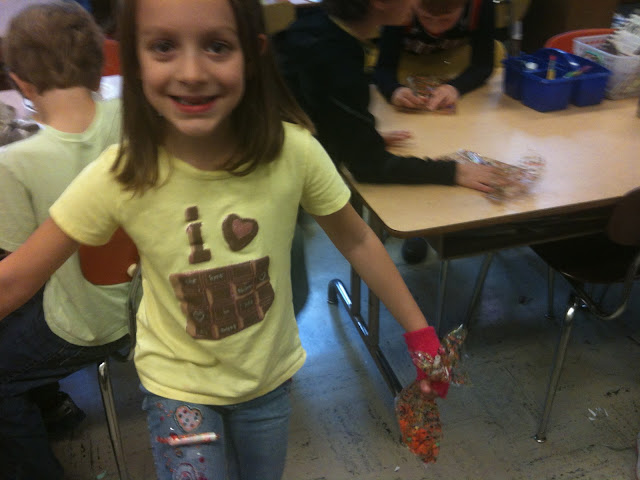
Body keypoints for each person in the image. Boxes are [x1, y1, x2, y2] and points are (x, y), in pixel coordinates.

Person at [0, 0, 451, 479]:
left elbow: (357, 239)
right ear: (135, 59)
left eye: (217, 46)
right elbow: (15, 279)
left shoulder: (294, 152)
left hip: (267, 381)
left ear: (252, 55)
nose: (192, 72)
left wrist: (420, 333)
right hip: (177, 388)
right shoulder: (121, 173)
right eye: (164, 46)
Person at [0, 3, 129, 479]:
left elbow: (17, 276)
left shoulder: (15, 162)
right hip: (151, 304)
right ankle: (53, 406)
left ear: (21, 82)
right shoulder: (136, 119)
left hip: (87, 324)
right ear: (99, 64)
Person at [273, 0, 503, 264]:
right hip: (275, 187)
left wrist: (357, 134)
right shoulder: (334, 55)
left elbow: (319, 113)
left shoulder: (320, 28)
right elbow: (368, 166)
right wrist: (453, 171)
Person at [374, 0, 495, 112]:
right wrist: (394, 90)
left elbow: (483, 66)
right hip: (403, 67)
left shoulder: (480, 5)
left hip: (454, 67)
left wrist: (455, 88)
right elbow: (384, 67)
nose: (435, 29)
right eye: (425, 17)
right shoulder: (399, 4)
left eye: (445, 20)